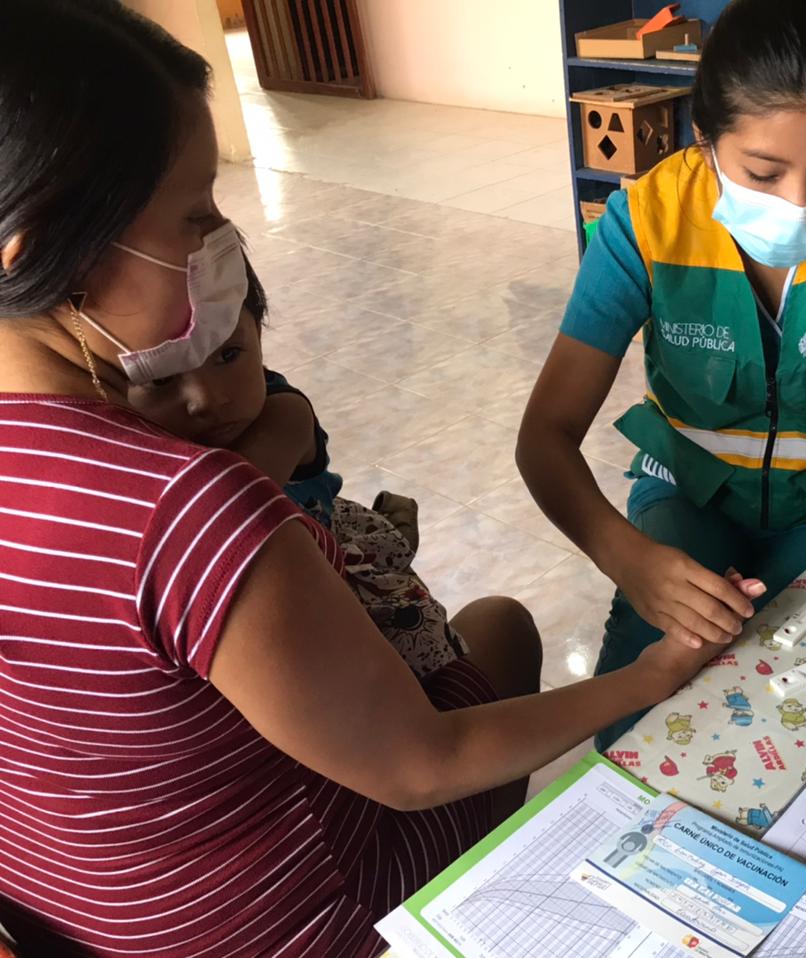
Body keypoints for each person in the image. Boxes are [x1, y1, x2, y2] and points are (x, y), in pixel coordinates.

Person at [0, 2, 721, 954]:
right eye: (195, 214)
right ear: (39, 245)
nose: (222, 242)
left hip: (79, 915)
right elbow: (419, 768)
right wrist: (656, 673)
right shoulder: (184, 508)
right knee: (501, 633)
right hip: (283, 923)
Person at [518, 0, 806, 746]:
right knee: (642, 716)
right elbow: (545, 435)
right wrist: (629, 559)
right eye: (762, 171)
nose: (800, 203)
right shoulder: (644, 221)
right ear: (704, 140)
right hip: (688, 488)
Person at [127, 256, 465, 675]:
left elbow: (220, 513)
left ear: (258, 335)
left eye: (228, 354)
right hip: (266, 594)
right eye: (162, 378)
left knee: (421, 659)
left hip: (330, 581)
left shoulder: (284, 415)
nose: (207, 399)